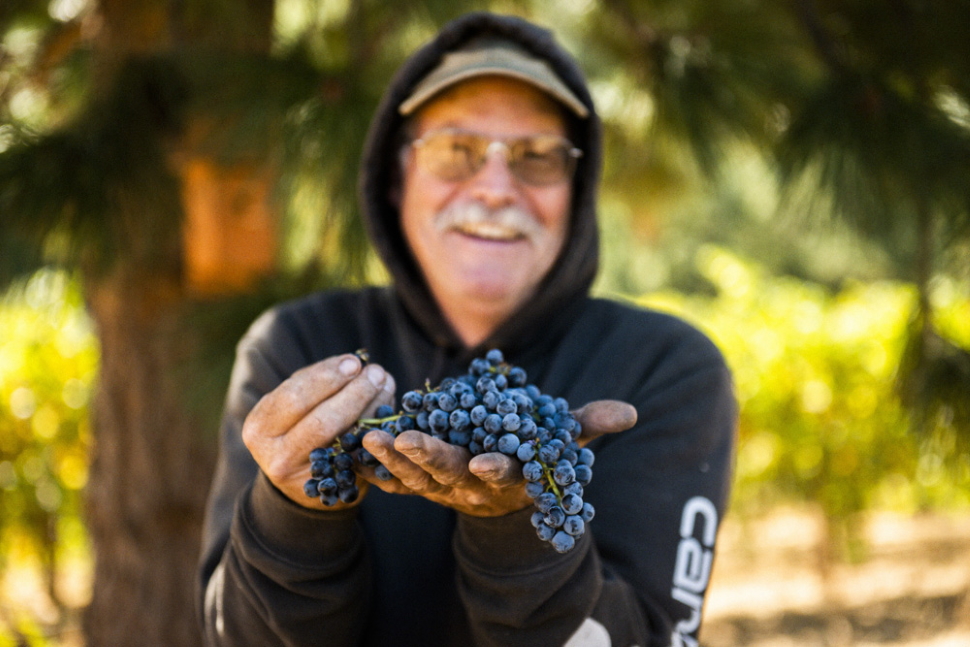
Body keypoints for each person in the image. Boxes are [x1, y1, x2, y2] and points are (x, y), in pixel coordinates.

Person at [197, 11, 737, 647]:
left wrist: (520, 535)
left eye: (537, 157)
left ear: (577, 190)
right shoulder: (297, 349)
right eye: (456, 151)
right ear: (398, 178)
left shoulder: (663, 369)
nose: (494, 189)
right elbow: (227, 638)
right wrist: (291, 517)